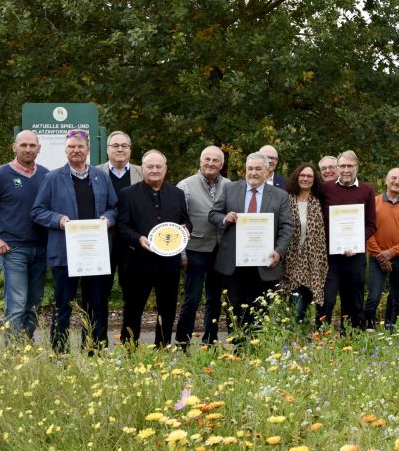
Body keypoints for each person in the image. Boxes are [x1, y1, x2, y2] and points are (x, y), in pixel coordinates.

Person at [32, 129, 117, 353]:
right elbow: (38, 211)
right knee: (64, 305)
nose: (76, 150)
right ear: (65, 150)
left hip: (95, 253)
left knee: (96, 304)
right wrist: (58, 219)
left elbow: (114, 208)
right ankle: (59, 352)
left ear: (88, 150)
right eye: (71, 147)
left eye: (80, 147)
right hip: (65, 254)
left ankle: (94, 350)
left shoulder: (101, 177)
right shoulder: (53, 177)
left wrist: (108, 219)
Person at [0, 130, 49, 342]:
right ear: (14, 147)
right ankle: (13, 352)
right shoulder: (0, 175)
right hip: (13, 250)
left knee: (34, 304)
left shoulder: (45, 175)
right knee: (16, 304)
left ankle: (26, 345)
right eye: (23, 145)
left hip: (41, 250)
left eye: (32, 145)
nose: (27, 149)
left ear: (39, 149)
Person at [210, 152, 293, 340]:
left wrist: (279, 252)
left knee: (260, 309)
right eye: (250, 169)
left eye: (258, 169)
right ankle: (238, 349)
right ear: (245, 170)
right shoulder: (230, 189)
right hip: (233, 263)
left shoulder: (280, 196)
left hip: (264, 263)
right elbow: (213, 214)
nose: (253, 173)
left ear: (267, 171)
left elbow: (287, 227)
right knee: (235, 307)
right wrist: (225, 218)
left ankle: (256, 349)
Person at [117, 150, 191, 348]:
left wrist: (186, 230)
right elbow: (122, 227)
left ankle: (163, 348)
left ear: (166, 169)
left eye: (159, 166)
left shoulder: (177, 194)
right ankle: (129, 349)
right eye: (150, 166)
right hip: (137, 263)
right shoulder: (128, 194)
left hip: (169, 264)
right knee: (133, 309)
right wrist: (138, 238)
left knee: (167, 310)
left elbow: (185, 222)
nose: (155, 170)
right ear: (142, 169)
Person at [175, 146, 230, 347]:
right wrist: (181, 254)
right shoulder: (185, 185)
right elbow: (178, 222)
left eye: (215, 160)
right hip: (194, 249)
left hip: (220, 251)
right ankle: (183, 340)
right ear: (200, 161)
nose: (210, 163)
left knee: (215, 299)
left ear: (221, 165)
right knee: (193, 297)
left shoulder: (230, 185)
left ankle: (211, 339)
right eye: (207, 159)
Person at [320, 150, 376, 331]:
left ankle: (352, 338)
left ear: (357, 168)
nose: (346, 170)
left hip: (355, 255)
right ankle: (322, 337)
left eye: (350, 166)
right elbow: (320, 221)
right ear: (337, 168)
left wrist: (356, 242)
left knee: (353, 301)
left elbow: (371, 225)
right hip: (331, 257)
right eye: (342, 166)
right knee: (326, 299)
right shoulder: (326, 189)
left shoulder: (367, 190)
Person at [96, 131, 143, 321]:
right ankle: (96, 345)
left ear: (130, 150)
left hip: (132, 243)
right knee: (98, 295)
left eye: (124, 145)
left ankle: (129, 342)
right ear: (107, 150)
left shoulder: (143, 172)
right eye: (115, 145)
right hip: (102, 242)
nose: (120, 149)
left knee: (133, 296)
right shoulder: (94, 172)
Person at [365, 168, 399, 329]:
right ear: (386, 181)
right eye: (393, 178)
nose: (397, 181)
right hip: (376, 258)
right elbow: (367, 231)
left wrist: (390, 253)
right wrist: (381, 256)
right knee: (374, 296)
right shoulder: (374, 203)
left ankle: (392, 329)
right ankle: (366, 328)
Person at [279, 163, 329, 325]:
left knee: (307, 305)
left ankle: (300, 339)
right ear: (296, 177)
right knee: (296, 307)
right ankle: (294, 339)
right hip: (290, 262)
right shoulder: (286, 199)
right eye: (303, 175)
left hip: (313, 263)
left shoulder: (318, 202)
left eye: (309, 176)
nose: (306, 179)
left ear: (314, 180)